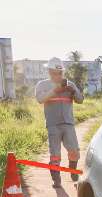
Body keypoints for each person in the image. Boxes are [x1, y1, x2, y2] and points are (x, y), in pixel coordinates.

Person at [35, 57, 84, 188]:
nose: (58, 75)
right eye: (55, 72)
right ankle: (56, 180)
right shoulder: (42, 85)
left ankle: (73, 172)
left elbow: (80, 99)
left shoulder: (70, 84)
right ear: (50, 72)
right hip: (53, 124)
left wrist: (72, 91)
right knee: (55, 155)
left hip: (68, 123)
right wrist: (54, 91)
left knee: (74, 151)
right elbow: (40, 99)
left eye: (60, 73)